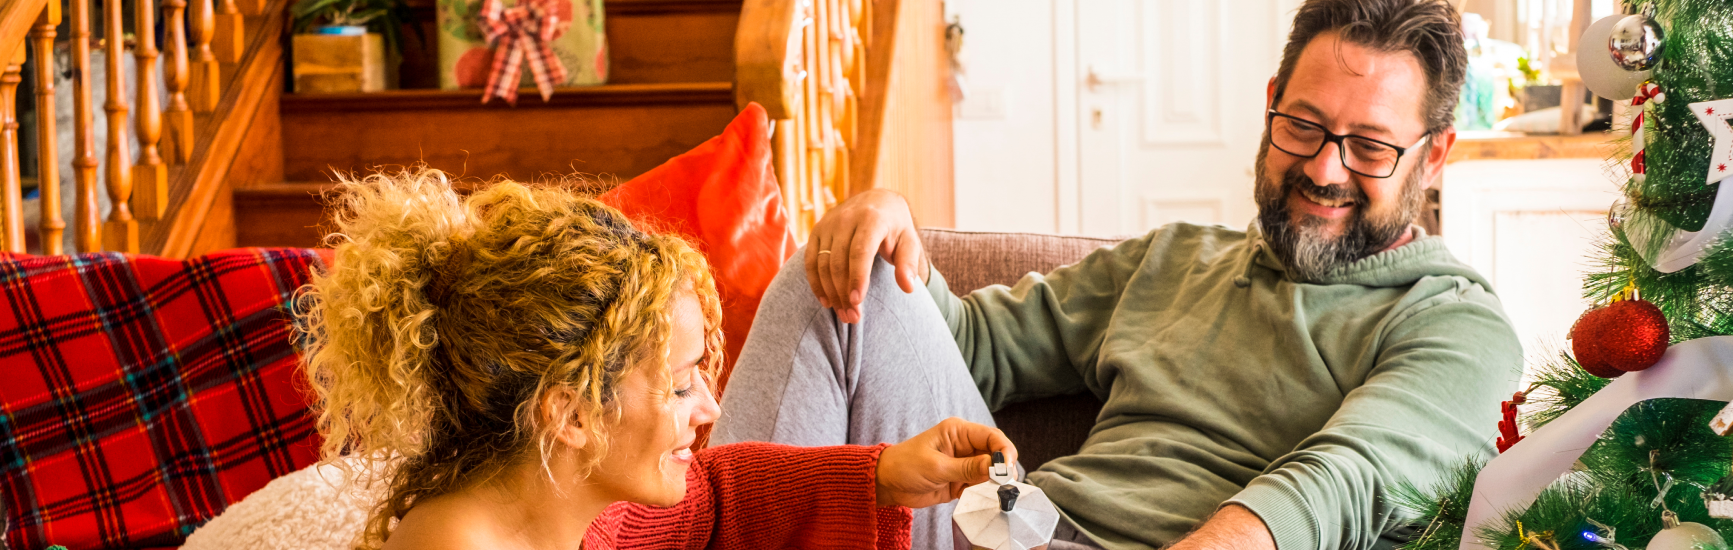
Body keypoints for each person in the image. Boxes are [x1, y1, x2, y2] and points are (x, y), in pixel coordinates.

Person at [710, 0, 1523, 549]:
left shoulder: (1453, 322)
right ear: (1272, 102)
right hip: (1014, 524)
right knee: (842, 271)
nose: (1325, 168)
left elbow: (1343, 482)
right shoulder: (1176, 257)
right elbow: (973, 344)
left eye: (1370, 146)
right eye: (1302, 125)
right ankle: (690, 521)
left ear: (1434, 155)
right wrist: (887, 225)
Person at [293, 170, 1017, 550]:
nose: (710, 408)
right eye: (677, 387)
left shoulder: (566, 512)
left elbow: (713, 503)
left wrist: (884, 474)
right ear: (570, 414)